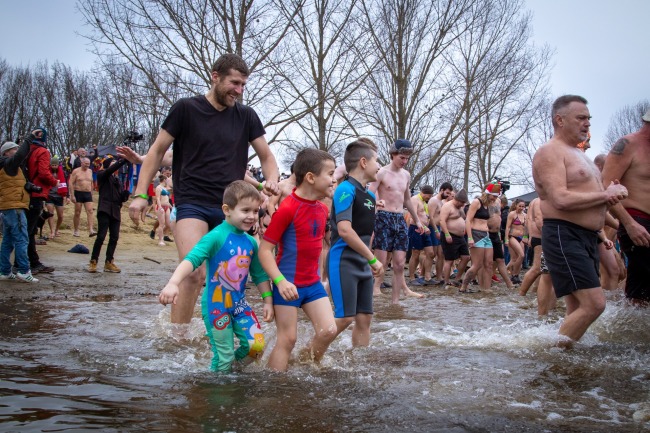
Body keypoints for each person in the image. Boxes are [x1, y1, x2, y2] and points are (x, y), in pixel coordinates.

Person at [127, 53, 280, 324]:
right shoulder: (186, 109)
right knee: (194, 272)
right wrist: (140, 195)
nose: (239, 90)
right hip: (193, 202)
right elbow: (156, 151)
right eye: (234, 83)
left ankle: (217, 332)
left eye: (244, 85)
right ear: (215, 76)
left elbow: (267, 157)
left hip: (231, 207)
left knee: (229, 274)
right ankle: (179, 338)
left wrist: (271, 181)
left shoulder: (246, 116)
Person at [532, 94, 628, 345]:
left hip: (588, 236)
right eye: (581, 118)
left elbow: (591, 198)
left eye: (589, 118)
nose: (587, 123)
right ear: (560, 120)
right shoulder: (549, 152)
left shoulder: (581, 155)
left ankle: (567, 359)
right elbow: (559, 199)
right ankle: (551, 354)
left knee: (576, 306)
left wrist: (609, 202)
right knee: (595, 304)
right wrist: (606, 193)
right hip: (565, 234)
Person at [159, 181, 273, 372]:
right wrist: (173, 283)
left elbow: (260, 275)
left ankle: (232, 372)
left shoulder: (251, 243)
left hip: (239, 305)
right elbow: (191, 259)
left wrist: (267, 301)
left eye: (255, 211)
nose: (252, 217)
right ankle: (218, 391)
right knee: (224, 356)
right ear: (227, 210)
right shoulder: (216, 236)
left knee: (256, 346)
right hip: (216, 306)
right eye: (245, 210)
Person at [258, 148, 337, 372]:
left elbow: (320, 247)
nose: (333, 180)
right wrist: (280, 282)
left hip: (312, 285)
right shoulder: (287, 209)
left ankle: (303, 364)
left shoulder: (322, 209)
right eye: (330, 174)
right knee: (287, 339)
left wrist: (323, 278)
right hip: (287, 284)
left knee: (328, 331)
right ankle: (276, 387)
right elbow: (264, 251)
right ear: (311, 177)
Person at [328, 140, 383, 347]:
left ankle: (358, 365)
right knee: (344, 318)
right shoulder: (345, 189)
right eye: (376, 161)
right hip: (344, 261)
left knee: (364, 318)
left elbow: (365, 231)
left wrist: (368, 260)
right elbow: (344, 230)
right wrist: (373, 258)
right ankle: (307, 358)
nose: (379, 166)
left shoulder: (369, 195)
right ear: (363, 162)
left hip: (363, 264)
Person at [601, 108, 650, 305]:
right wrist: (629, 224)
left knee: (640, 290)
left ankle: (627, 329)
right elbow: (605, 186)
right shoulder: (628, 145)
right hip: (636, 220)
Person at [370, 139, 426, 304]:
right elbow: (369, 193)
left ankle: (395, 302)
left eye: (407, 158)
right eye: (402, 157)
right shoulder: (381, 173)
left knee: (400, 264)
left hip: (399, 218)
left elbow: (407, 199)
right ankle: (371, 295)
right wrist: (376, 203)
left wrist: (417, 220)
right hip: (383, 217)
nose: (404, 161)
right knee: (379, 264)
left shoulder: (406, 175)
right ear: (393, 154)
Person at [0, 132, 43, 283]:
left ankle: (4, 271)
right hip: (14, 206)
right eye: (14, 149)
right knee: (22, 238)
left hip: (8, 206)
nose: (17, 151)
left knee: (8, 240)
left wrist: (32, 187)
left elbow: (18, 183)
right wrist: (30, 138)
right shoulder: (9, 163)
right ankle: (24, 270)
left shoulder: (11, 168)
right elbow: (20, 155)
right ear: (6, 152)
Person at [24, 128, 58, 274]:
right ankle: (29, 263)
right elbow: (44, 172)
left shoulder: (27, 150)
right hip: (37, 192)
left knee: (28, 229)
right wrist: (53, 181)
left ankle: (31, 261)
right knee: (29, 230)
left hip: (27, 191)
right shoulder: (43, 151)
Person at [88, 157, 130, 273]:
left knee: (114, 237)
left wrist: (125, 195)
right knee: (101, 236)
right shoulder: (102, 174)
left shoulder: (117, 180)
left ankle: (109, 262)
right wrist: (123, 160)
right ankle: (93, 261)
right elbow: (110, 170)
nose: (115, 166)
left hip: (115, 210)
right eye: (112, 164)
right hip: (105, 209)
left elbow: (120, 197)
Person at [460, 184, 501, 293]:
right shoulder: (476, 202)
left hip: (486, 235)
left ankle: (486, 289)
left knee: (489, 264)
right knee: (477, 264)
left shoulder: (488, 205)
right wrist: (469, 237)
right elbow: (468, 220)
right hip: (476, 234)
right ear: (488, 194)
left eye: (496, 197)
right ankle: (463, 286)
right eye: (494, 196)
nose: (495, 199)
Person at [439, 188, 471, 287]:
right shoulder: (447, 206)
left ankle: (457, 279)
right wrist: (447, 234)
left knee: (466, 257)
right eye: (461, 203)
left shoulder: (459, 208)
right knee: (449, 260)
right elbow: (442, 221)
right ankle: (446, 281)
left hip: (460, 237)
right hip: (450, 235)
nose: (462, 205)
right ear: (457, 200)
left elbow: (465, 218)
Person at [407, 185, 435, 286]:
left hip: (425, 230)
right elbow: (413, 216)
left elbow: (424, 215)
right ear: (424, 193)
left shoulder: (424, 202)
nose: (430, 198)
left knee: (431, 253)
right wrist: (423, 226)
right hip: (416, 229)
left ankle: (427, 276)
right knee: (415, 253)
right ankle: (411, 278)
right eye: (429, 196)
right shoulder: (415, 199)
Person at [428, 182, 453, 285]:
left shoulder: (442, 202)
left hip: (439, 228)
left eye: (449, 193)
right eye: (447, 192)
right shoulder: (434, 201)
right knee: (431, 253)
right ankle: (427, 275)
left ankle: (439, 276)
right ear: (442, 190)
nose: (448, 195)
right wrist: (436, 230)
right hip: (433, 228)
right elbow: (431, 217)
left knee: (441, 254)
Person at [69, 157, 96, 237]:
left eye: (88, 164)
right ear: (82, 163)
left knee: (90, 211)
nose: (87, 165)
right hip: (78, 192)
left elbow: (91, 183)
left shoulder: (90, 171)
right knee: (77, 212)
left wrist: (92, 193)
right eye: (86, 164)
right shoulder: (76, 171)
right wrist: (72, 195)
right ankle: (76, 230)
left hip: (87, 193)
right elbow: (71, 183)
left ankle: (91, 230)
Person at [45, 156, 69, 238]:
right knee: (50, 214)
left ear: (58, 165)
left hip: (59, 195)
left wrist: (67, 195)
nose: (54, 166)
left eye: (56, 165)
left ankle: (56, 229)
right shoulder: (48, 172)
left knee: (60, 216)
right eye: (53, 165)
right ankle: (52, 231)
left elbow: (66, 184)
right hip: (50, 194)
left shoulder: (63, 172)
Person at [505, 199, 527, 284]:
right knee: (521, 255)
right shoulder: (512, 214)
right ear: (516, 205)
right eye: (520, 206)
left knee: (514, 259)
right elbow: (507, 227)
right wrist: (506, 239)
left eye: (523, 206)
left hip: (522, 237)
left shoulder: (525, 215)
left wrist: (526, 237)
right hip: (512, 236)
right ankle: (514, 275)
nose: (521, 208)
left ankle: (514, 275)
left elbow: (526, 228)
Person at [154, 173, 173, 246]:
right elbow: (158, 198)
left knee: (168, 224)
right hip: (161, 206)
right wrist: (160, 207)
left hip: (167, 206)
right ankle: (160, 240)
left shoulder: (165, 188)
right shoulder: (159, 188)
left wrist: (171, 206)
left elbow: (167, 199)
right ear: (164, 180)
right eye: (167, 179)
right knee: (161, 224)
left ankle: (160, 233)